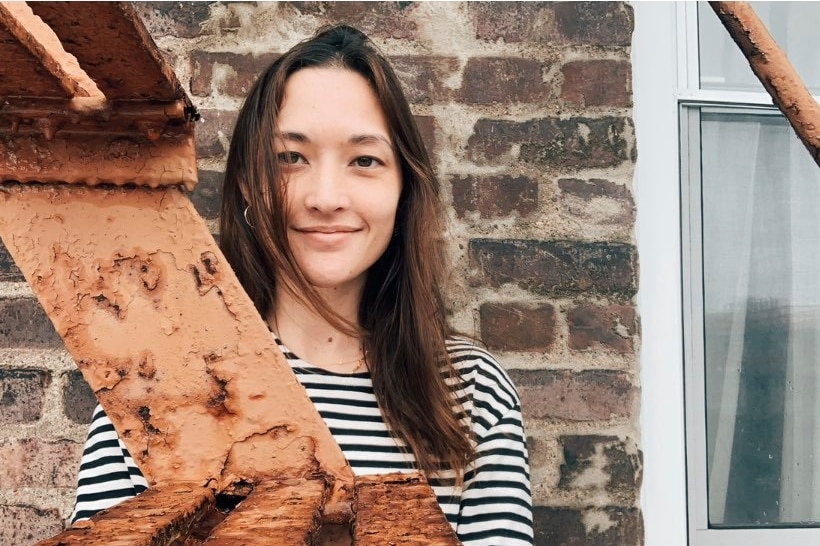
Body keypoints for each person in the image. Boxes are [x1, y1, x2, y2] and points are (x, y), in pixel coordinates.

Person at [70, 25, 533, 545]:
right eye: (290, 158)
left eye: (365, 160)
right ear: (248, 180)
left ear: (403, 188)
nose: (326, 197)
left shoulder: (471, 391)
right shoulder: (153, 385)